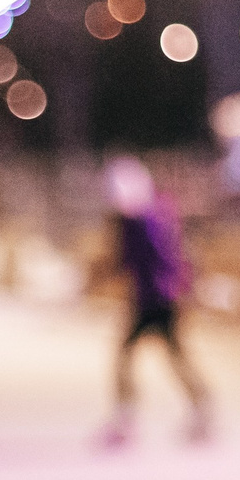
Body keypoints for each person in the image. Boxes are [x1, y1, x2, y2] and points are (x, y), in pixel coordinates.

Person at [96, 154, 212, 446]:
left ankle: (128, 418)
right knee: (171, 357)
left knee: (130, 358)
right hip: (159, 298)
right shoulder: (155, 216)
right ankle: (200, 410)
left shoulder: (140, 223)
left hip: (156, 300)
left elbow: (134, 260)